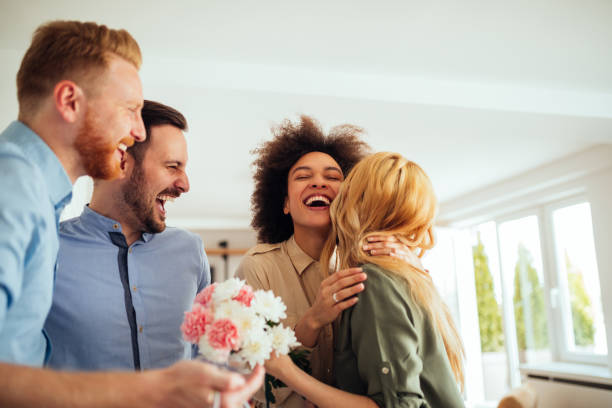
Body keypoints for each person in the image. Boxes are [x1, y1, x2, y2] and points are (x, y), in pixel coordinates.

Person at [0, 20, 262, 407]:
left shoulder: (32, 194)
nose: (137, 131)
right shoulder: (12, 185)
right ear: (70, 101)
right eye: (130, 109)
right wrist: (151, 391)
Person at [235, 116, 419, 407]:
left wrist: (411, 267)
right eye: (303, 176)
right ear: (284, 203)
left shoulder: (370, 266)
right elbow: (259, 386)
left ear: (348, 197)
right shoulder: (259, 268)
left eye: (332, 177)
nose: (318, 182)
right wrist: (313, 320)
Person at [265, 152, 466, 408]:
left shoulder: (375, 282)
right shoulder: (411, 275)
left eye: (344, 185)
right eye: (304, 176)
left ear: (359, 202)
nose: (322, 186)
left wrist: (288, 373)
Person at [45, 100, 209, 371]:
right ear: (121, 161)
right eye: (172, 166)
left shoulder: (190, 250)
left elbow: (205, 355)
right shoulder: (49, 249)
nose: (185, 184)